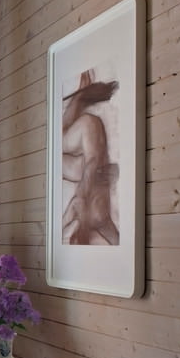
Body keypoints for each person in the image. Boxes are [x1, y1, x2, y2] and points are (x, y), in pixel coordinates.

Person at [60, 69, 120, 245]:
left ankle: (82, 95)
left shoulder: (88, 124)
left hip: (90, 194)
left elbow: (93, 161)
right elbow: (93, 161)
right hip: (91, 194)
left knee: (64, 144)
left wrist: (81, 196)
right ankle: (82, 95)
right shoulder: (87, 125)